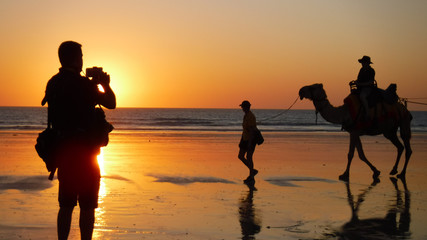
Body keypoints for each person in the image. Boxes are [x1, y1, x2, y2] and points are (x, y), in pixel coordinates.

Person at [42, 41, 116, 240]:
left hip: (64, 152)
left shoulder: (53, 82)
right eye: (81, 56)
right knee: (87, 206)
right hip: (86, 154)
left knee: (65, 205)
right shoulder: (84, 85)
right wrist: (105, 85)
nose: (83, 60)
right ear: (76, 58)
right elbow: (111, 103)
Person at [238, 100, 258, 183]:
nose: (242, 108)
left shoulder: (250, 116)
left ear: (246, 107)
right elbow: (245, 129)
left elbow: (251, 131)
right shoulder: (246, 115)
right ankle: (252, 171)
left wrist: (250, 143)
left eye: (242, 107)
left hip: (251, 140)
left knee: (249, 157)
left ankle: (251, 177)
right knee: (241, 156)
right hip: (245, 138)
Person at [355, 55, 376, 120]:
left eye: (363, 62)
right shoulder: (361, 70)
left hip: (368, 89)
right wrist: (356, 82)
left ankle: (368, 113)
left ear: (367, 63)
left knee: (362, 96)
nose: (362, 64)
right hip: (361, 88)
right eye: (362, 62)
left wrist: (360, 84)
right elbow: (358, 79)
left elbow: (371, 82)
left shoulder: (371, 70)